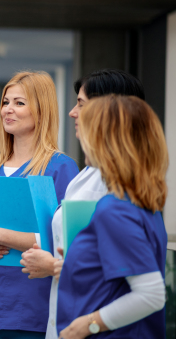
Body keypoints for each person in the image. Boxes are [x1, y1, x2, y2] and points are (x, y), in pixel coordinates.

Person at [19, 69, 146, 339]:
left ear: (108, 112)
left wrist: (53, 266)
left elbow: (132, 278)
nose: (72, 113)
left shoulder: (121, 182)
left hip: (96, 324)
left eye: (81, 104)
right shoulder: (89, 173)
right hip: (71, 317)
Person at [0, 71, 79, 339]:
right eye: (5, 102)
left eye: (19, 103)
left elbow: (65, 244)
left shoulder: (61, 168)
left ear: (41, 110)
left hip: (31, 311)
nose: (7, 110)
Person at [56, 95, 167, 338]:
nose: (81, 138)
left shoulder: (115, 209)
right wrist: (79, 261)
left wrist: (86, 325)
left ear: (107, 142)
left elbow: (151, 294)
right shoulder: (142, 204)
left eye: (88, 132)